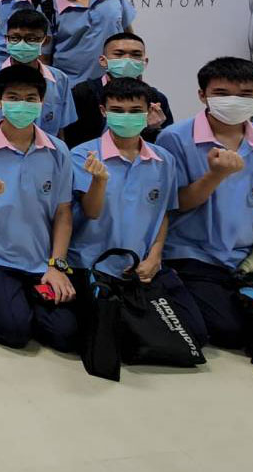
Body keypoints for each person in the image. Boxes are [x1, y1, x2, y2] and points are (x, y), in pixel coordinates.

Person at [157, 58, 253, 350]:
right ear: (202, 95)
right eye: (221, 93)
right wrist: (215, 176)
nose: (233, 101)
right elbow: (176, 204)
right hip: (193, 252)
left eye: (245, 94)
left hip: (247, 252)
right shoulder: (175, 138)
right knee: (228, 330)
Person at [66, 79, 205, 343]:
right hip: (91, 263)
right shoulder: (83, 155)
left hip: (141, 265)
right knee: (104, 333)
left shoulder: (164, 159)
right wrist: (99, 181)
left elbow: (163, 212)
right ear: (103, 111)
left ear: (149, 111)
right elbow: (91, 212)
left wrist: (155, 256)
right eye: (117, 110)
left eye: (135, 110)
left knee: (195, 333)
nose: (126, 117)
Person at [0, 64, 78, 352]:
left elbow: (63, 213)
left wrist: (57, 266)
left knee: (65, 335)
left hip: (39, 259)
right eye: (13, 97)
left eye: (30, 98)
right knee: (13, 332)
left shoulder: (58, 150)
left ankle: (17, 300)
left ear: (42, 101)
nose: (22, 105)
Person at [0, 8, 77, 136]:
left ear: (45, 41)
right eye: (15, 38)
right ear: (6, 39)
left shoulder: (60, 80)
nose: (22, 44)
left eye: (31, 39)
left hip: (44, 147)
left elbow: (60, 130)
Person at [61, 32, 173, 147]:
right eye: (119, 54)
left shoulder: (156, 98)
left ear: (145, 62)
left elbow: (165, 147)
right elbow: (69, 138)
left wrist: (154, 129)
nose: (127, 60)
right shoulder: (82, 93)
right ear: (103, 61)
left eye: (136, 55)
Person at [45, 0, 135, 85]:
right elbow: (44, 56)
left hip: (115, 82)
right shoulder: (48, 9)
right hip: (72, 86)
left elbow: (129, 34)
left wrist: (134, 71)